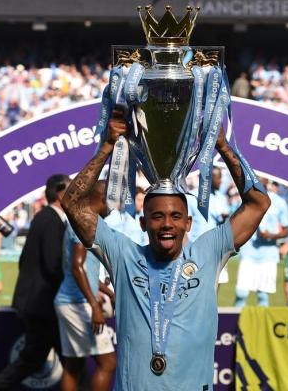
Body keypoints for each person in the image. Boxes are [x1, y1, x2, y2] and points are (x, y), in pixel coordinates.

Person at [61, 110, 270, 390]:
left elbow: (258, 203)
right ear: (143, 223)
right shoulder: (124, 256)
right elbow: (73, 204)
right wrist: (107, 148)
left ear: (188, 222)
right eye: (157, 217)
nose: (166, 224)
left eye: (175, 216)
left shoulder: (208, 252)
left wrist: (222, 146)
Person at [0, 174, 70, 391]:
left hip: (39, 304)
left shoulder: (46, 218)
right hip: (42, 306)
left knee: (67, 361)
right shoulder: (51, 220)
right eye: (73, 189)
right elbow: (53, 265)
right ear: (60, 194)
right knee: (42, 361)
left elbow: (25, 261)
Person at [54, 180, 116, 391]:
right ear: (100, 198)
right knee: (107, 363)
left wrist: (108, 291)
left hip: (68, 300)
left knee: (74, 365)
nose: (112, 206)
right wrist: (95, 305)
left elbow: (84, 271)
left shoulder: (81, 221)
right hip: (77, 303)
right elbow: (77, 267)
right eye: (110, 200)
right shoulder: (82, 222)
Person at [235, 179, 288, 307]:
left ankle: (261, 327)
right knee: (241, 294)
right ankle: (234, 326)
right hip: (249, 252)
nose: (259, 178)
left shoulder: (279, 202)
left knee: (263, 296)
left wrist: (271, 236)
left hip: (268, 255)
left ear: (268, 180)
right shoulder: (245, 199)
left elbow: (287, 230)